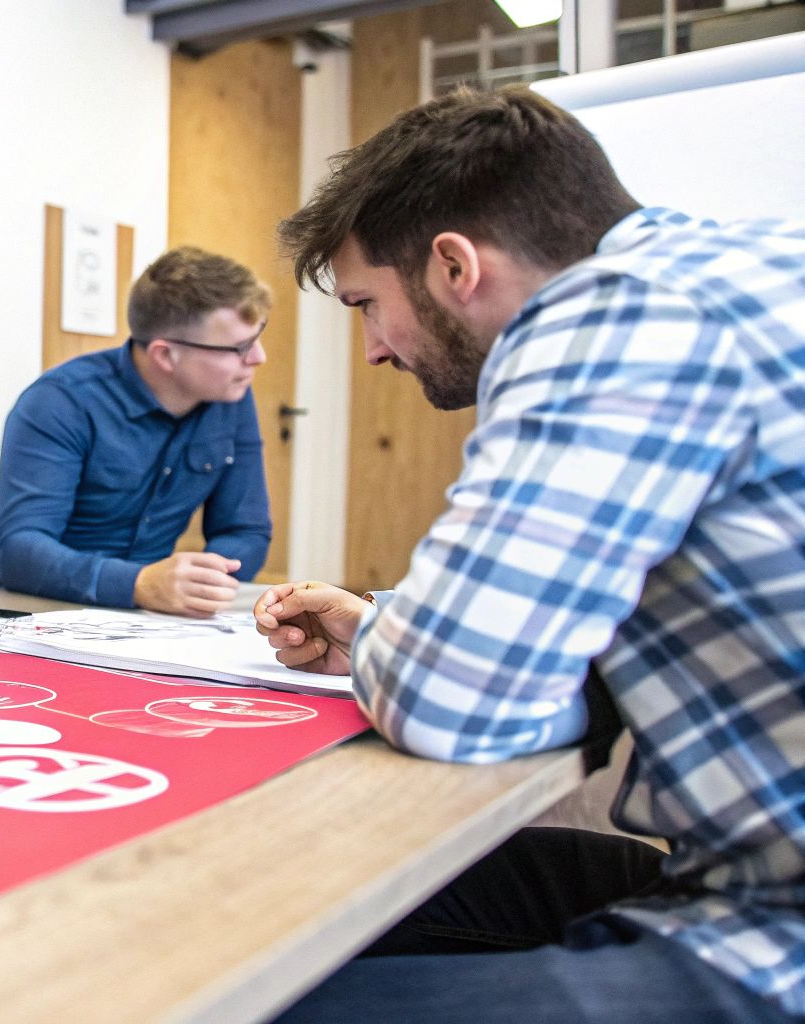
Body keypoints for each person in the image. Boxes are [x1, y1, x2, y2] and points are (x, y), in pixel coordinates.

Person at [253, 86, 805, 1021]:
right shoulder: (755, 266)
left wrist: (411, 646)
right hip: (743, 864)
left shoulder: (618, 312)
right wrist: (389, 626)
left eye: (367, 305)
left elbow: (456, 698)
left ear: (455, 265)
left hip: (770, 932)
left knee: (220, 992)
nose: (376, 351)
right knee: (304, 903)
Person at [0, 246, 274, 616]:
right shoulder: (60, 402)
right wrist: (138, 583)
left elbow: (246, 531)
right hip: (20, 612)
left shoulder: (230, 397)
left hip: (139, 622)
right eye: (239, 347)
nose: (258, 358)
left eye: (257, 336)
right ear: (164, 355)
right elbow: (19, 550)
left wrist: (201, 581)